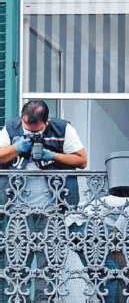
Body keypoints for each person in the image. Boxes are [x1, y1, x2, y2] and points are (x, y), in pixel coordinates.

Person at [0, 100, 87, 302]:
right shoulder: (11, 128)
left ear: (46, 122)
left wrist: (52, 155)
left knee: (47, 268)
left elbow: (82, 160)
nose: (29, 131)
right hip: (18, 211)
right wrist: (15, 148)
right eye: (26, 126)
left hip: (53, 210)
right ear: (22, 118)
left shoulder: (64, 129)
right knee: (17, 265)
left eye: (35, 128)